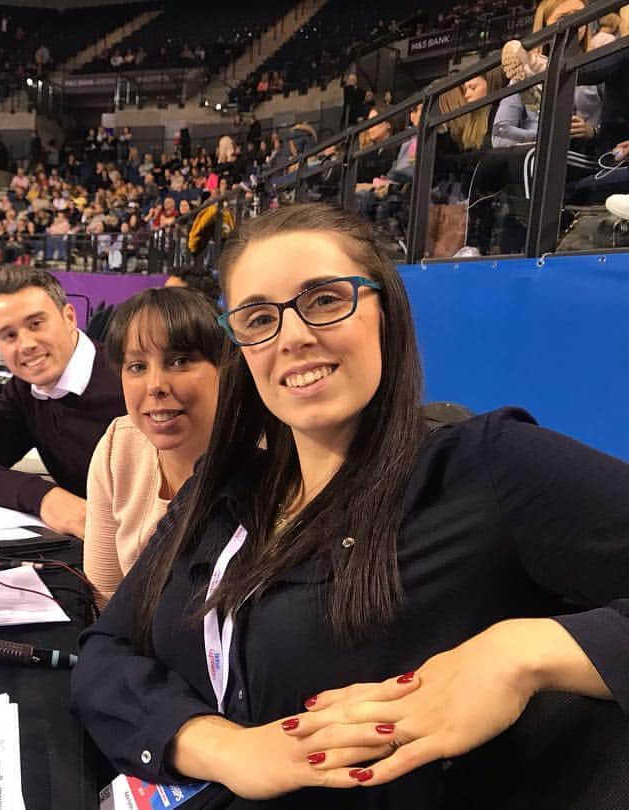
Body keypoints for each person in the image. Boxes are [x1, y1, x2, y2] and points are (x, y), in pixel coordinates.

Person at [71, 203, 629, 805]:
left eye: (326, 300)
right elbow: (105, 654)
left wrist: (526, 653)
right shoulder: (224, 488)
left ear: (383, 311)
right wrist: (223, 747)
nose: (294, 337)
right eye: (259, 318)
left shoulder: (484, 465)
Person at [0, 266, 125, 538]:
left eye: (36, 324)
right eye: (9, 335)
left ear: (69, 317)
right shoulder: (25, 390)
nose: (25, 344)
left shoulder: (128, 381)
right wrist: (46, 498)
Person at [85, 288, 224, 607]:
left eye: (180, 361)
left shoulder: (270, 461)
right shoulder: (118, 446)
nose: (155, 385)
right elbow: (105, 597)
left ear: (225, 368)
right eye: (136, 366)